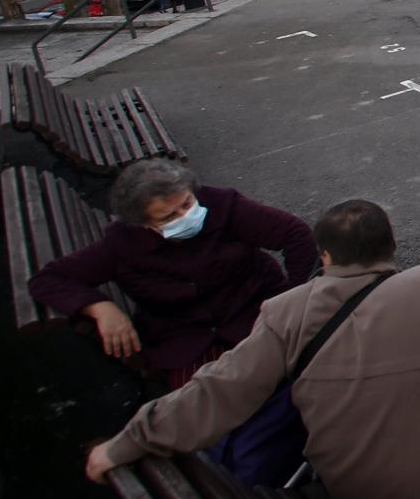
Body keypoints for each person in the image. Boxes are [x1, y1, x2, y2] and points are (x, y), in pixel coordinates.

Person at [85, 199, 420, 499]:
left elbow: (216, 390)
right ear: (392, 246)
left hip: (366, 498)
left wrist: (126, 442)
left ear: (324, 257)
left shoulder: (284, 313)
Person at [30, 160, 318, 388]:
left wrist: (295, 296)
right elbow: (48, 280)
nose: (185, 216)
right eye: (168, 217)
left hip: (256, 314)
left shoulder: (222, 206)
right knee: (210, 402)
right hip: (187, 341)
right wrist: (99, 307)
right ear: (142, 224)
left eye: (187, 204)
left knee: (303, 376)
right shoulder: (121, 245)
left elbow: (294, 234)